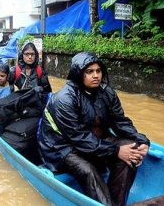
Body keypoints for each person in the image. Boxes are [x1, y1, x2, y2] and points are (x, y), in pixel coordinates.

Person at [37, 52, 150, 206]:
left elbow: (120, 122)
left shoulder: (107, 93)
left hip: (95, 141)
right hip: (62, 147)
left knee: (132, 151)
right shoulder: (65, 99)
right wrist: (116, 151)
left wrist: (142, 140)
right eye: (89, 72)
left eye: (98, 71)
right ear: (78, 74)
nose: (96, 75)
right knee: (88, 170)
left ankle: (116, 202)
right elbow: (78, 138)